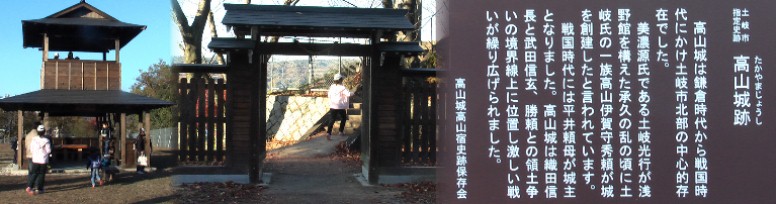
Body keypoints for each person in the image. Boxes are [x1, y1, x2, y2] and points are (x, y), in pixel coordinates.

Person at [326, 74, 352, 140]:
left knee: (332, 119)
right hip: (340, 106)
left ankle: (328, 133)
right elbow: (348, 94)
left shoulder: (332, 87)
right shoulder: (342, 88)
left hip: (333, 106)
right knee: (343, 118)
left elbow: (329, 95)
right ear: (341, 80)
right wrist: (354, 92)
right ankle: (340, 131)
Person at [26, 125, 50, 196]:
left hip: (35, 159)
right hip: (43, 159)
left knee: (34, 173)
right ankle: (40, 188)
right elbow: (48, 150)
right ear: (44, 132)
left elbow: (31, 149)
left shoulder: (34, 139)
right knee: (41, 174)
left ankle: (29, 186)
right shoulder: (46, 140)